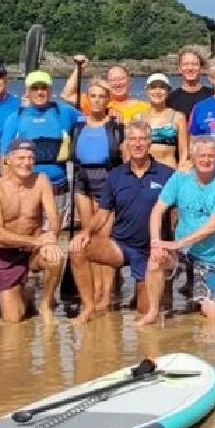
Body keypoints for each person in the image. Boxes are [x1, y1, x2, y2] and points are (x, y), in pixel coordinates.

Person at [68, 121, 174, 321]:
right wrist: (85, 232)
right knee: (77, 249)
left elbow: (179, 213)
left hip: (150, 251)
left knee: (146, 314)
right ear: (126, 143)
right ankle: (89, 307)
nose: (138, 144)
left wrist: (172, 247)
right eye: (133, 139)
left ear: (150, 143)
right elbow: (102, 213)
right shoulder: (116, 175)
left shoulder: (167, 174)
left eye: (142, 139)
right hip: (121, 245)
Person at [144, 136, 215, 322]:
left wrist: (177, 243)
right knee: (155, 261)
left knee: (213, 317)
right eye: (201, 156)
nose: (206, 160)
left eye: (211, 156)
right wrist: (155, 242)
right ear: (193, 158)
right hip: (182, 252)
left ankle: (214, 294)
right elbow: (157, 211)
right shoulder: (179, 178)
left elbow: (213, 226)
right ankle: (153, 312)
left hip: (212, 256)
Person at [0, 138, 66, 324]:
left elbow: (54, 217)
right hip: (6, 253)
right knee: (13, 320)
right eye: (21, 158)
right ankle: (27, 294)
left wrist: (51, 236)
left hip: (33, 251)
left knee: (56, 258)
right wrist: (38, 241)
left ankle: (46, 303)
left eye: (30, 158)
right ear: (8, 160)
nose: (26, 163)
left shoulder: (41, 180)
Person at [0, 70, 82, 224]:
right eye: (35, 88)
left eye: (44, 88)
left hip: (58, 185)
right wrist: (7, 188)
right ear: (27, 91)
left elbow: (93, 121)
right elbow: (4, 156)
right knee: (28, 233)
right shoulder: (15, 118)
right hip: (26, 187)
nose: (39, 92)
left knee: (52, 236)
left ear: (50, 90)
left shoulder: (65, 112)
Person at [68, 79, 125, 293]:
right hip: (83, 183)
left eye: (102, 96)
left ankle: (105, 294)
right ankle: (92, 290)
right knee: (87, 237)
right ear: (87, 99)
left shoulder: (116, 126)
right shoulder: (78, 125)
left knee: (104, 239)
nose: (97, 100)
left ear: (108, 100)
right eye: (93, 96)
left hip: (108, 182)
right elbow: (64, 97)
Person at [61, 59, 150, 124]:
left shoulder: (144, 107)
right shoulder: (97, 101)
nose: (117, 83)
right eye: (113, 80)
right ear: (107, 83)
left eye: (121, 79)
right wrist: (79, 68)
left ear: (130, 81)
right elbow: (67, 95)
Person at [143, 72, 189, 168]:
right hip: (144, 173)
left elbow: (183, 151)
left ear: (168, 91)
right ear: (147, 91)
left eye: (162, 87)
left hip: (169, 171)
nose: (157, 91)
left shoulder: (178, 117)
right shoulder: (138, 118)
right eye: (153, 87)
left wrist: (180, 174)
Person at [166, 45, 213, 119]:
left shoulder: (213, 95)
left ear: (201, 67)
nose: (190, 68)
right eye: (185, 64)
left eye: (194, 64)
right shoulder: (170, 99)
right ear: (179, 68)